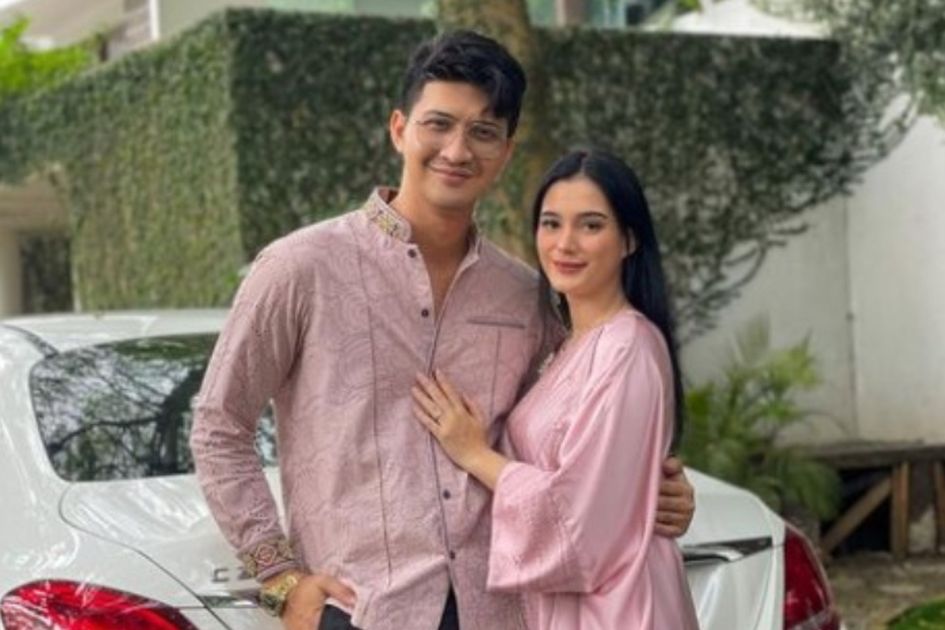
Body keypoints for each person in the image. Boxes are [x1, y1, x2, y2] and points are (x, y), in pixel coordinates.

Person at [189, 31, 695, 630]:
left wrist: (654, 490)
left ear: (505, 151)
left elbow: (578, 427)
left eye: (482, 131)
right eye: (439, 124)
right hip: (362, 610)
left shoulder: (525, 295)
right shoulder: (300, 268)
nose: (457, 150)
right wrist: (280, 578)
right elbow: (219, 425)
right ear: (399, 129)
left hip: (497, 610)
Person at [412, 149, 700, 629]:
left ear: (629, 239)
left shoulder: (627, 347)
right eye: (551, 224)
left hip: (618, 610)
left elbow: (581, 518)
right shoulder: (569, 344)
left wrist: (474, 453)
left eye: (591, 225)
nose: (565, 244)